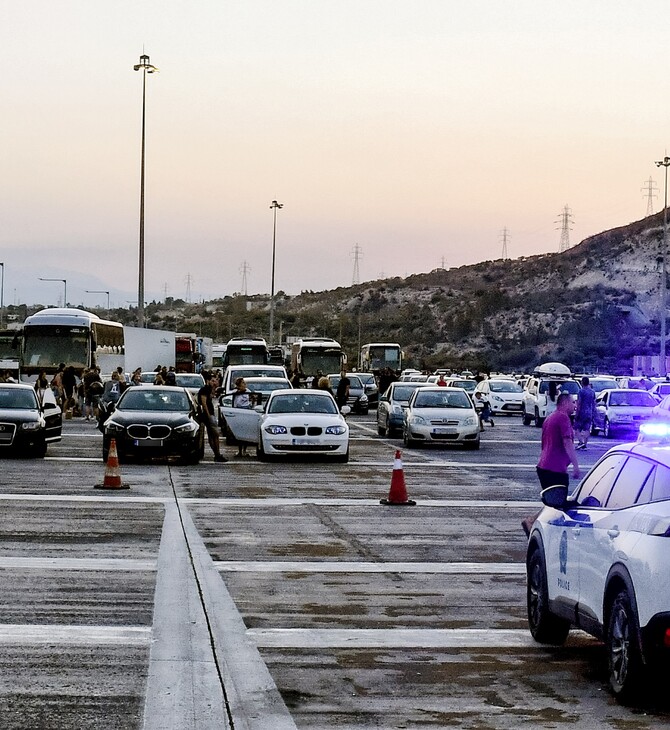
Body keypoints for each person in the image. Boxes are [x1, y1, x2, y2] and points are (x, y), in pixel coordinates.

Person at [522, 392, 580, 536]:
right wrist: (576, 465)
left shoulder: (550, 418)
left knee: (553, 502)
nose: (575, 406)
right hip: (555, 469)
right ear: (565, 403)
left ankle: (533, 522)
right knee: (557, 503)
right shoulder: (562, 418)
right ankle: (537, 524)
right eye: (573, 402)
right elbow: (567, 442)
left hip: (545, 466)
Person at [198, 372, 227, 463]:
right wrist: (208, 415)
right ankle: (217, 454)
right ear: (208, 381)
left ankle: (217, 454)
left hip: (210, 415)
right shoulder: (204, 390)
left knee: (212, 435)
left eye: (215, 380)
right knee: (215, 435)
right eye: (212, 381)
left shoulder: (209, 389)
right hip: (208, 415)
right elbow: (204, 403)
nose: (214, 382)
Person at [231, 377, 254, 457]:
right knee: (239, 431)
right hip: (238, 411)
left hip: (246, 410)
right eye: (243, 383)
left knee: (246, 431)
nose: (245, 385)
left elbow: (252, 398)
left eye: (245, 383)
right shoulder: (235, 392)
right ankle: (239, 451)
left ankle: (245, 450)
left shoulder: (247, 391)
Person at [574, 376, 596, 450]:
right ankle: (585, 444)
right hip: (589, 412)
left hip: (582, 412)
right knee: (587, 429)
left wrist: (577, 413)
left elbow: (579, 403)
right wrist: (593, 412)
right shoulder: (592, 392)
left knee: (577, 428)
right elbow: (594, 403)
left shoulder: (581, 391)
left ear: (582, 382)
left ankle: (581, 442)